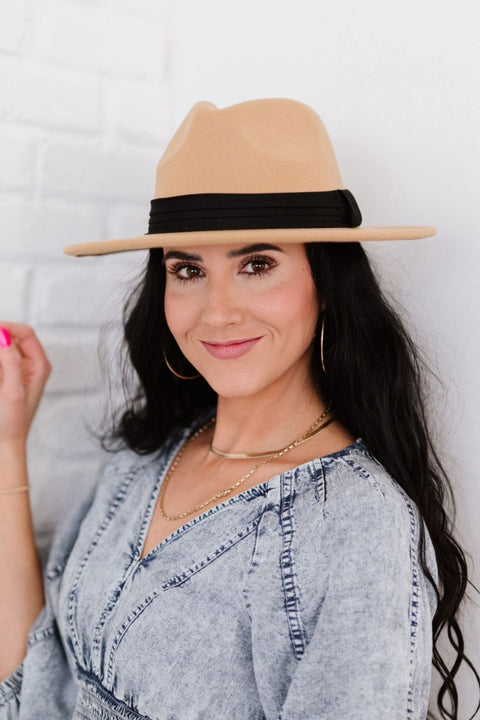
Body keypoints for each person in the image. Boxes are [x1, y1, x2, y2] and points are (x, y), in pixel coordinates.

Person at [0, 98, 478, 720]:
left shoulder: (359, 527)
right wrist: (9, 446)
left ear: (327, 283)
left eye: (256, 264)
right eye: (188, 269)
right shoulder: (148, 459)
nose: (217, 311)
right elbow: (36, 685)